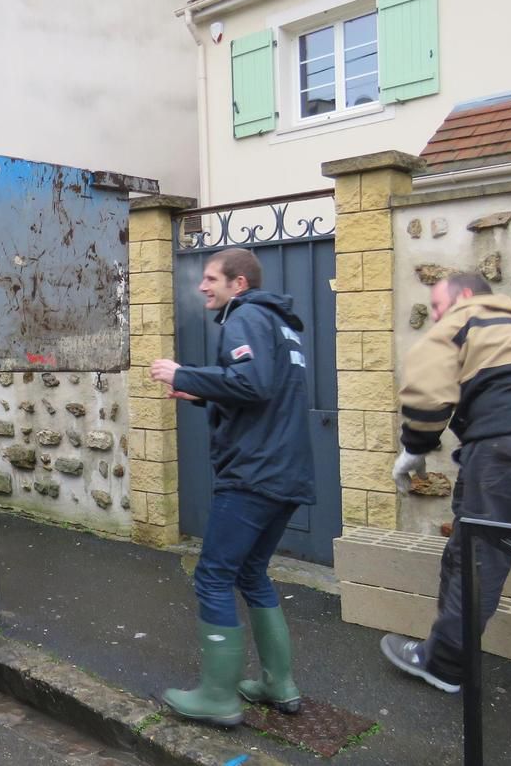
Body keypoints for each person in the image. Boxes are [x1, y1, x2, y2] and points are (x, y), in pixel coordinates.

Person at [380, 273, 511, 725]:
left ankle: (444, 665)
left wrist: (415, 448)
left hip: (506, 455)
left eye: (439, 305)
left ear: (465, 296)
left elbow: (427, 391)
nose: (439, 314)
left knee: (476, 564)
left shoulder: (465, 320)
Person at [149, 247, 315, 726]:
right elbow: (263, 393)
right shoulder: (279, 323)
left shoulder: (245, 317)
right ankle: (277, 683)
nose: (203, 286)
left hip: (253, 474)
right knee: (252, 573)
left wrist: (185, 374)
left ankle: (218, 697)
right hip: (285, 472)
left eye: (211, 278)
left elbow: (253, 384)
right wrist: (202, 394)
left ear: (237, 284)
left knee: (214, 576)